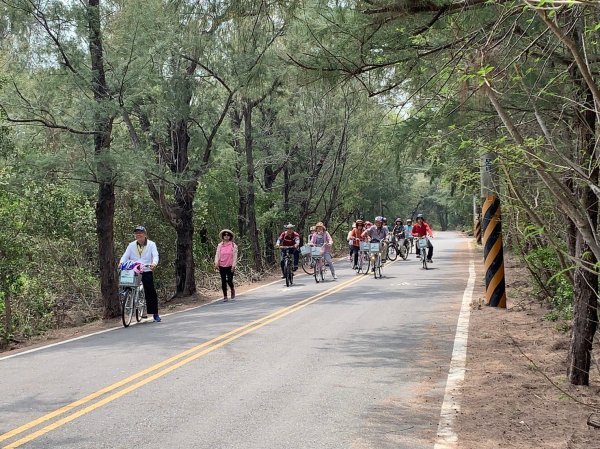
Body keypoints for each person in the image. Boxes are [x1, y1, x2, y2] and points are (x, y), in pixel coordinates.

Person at [119, 226, 161, 322]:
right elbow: (125, 255)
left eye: (140, 233)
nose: (138, 235)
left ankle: (155, 313)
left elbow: (155, 255)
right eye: (136, 233)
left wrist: (154, 263)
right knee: (126, 284)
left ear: (145, 234)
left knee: (150, 291)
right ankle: (128, 299)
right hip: (134, 270)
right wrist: (121, 262)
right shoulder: (131, 245)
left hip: (146, 269)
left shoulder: (151, 244)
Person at [214, 229, 238, 302]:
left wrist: (234, 265)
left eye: (228, 235)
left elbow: (235, 256)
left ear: (230, 236)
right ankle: (225, 296)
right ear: (223, 236)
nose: (226, 236)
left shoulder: (233, 245)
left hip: (230, 265)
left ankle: (232, 289)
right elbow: (217, 255)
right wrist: (216, 263)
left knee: (229, 280)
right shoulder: (220, 245)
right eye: (225, 235)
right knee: (223, 280)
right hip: (222, 265)